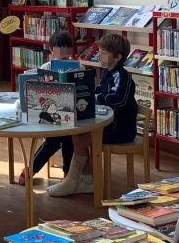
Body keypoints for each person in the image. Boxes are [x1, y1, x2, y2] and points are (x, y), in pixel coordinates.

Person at [48, 34, 137, 197]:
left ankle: (73, 180)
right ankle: (86, 181)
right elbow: (100, 91)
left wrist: (95, 98)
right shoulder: (106, 73)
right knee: (78, 134)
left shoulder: (123, 77)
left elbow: (118, 100)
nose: (98, 55)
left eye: (103, 52)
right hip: (108, 124)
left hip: (121, 129)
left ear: (117, 57)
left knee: (81, 137)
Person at [18, 31, 76, 185]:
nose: (64, 57)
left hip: (71, 114)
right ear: (51, 51)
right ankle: (32, 169)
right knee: (53, 142)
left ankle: (67, 173)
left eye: (67, 54)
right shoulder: (46, 67)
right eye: (60, 54)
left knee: (69, 141)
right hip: (51, 114)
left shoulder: (77, 66)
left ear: (71, 51)